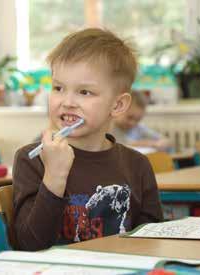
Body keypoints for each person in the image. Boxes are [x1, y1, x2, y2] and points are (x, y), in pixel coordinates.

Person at [13, 28, 163, 251]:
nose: (67, 101)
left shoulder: (137, 165)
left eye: (84, 92)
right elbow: (30, 245)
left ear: (118, 105)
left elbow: (152, 241)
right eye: (58, 88)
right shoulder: (31, 159)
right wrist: (54, 176)